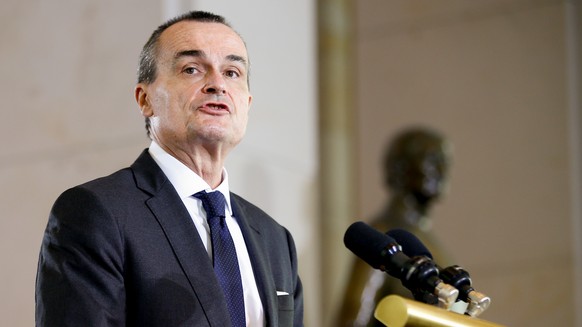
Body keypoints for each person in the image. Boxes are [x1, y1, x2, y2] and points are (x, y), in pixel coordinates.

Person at [35, 11, 303, 327]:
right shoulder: (96, 213)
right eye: (191, 69)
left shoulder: (275, 239)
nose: (217, 84)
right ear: (145, 99)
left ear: (247, 103)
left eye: (232, 72)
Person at [336, 126, 453, 327]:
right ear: (400, 167)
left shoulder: (427, 240)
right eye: (431, 160)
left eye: (444, 162)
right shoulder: (382, 239)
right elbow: (352, 320)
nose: (442, 171)